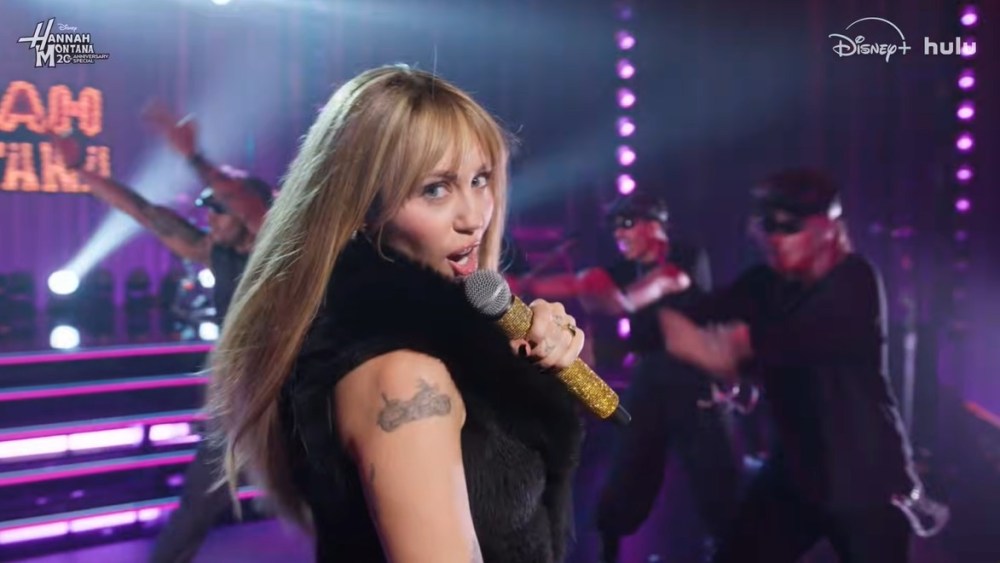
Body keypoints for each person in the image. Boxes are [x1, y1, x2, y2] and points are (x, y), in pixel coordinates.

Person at [208, 65, 588, 562]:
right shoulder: (403, 377)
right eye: (435, 189)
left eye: (480, 179)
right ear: (363, 209)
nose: (474, 217)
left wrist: (528, 367)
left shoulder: (430, 344)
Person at [660, 169, 927, 563]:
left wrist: (726, 351)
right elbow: (690, 317)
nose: (774, 239)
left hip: (866, 480)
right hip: (797, 474)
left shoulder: (854, 280)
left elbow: (791, 339)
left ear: (828, 229)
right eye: (767, 226)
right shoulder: (765, 284)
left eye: (789, 227)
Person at [512, 193, 739, 562]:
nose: (619, 233)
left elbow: (633, 297)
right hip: (651, 383)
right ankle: (608, 551)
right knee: (626, 478)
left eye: (628, 224)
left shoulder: (682, 259)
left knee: (716, 486)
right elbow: (576, 286)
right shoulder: (626, 267)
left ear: (655, 225)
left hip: (694, 383)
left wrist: (600, 291)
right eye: (615, 226)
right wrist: (516, 287)